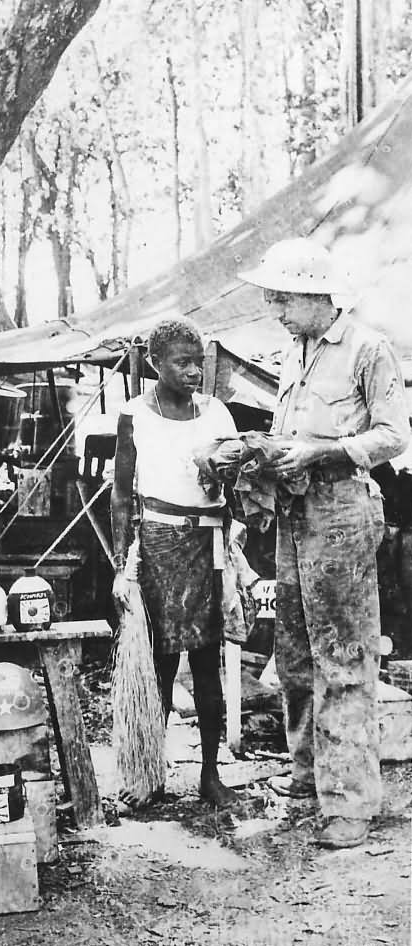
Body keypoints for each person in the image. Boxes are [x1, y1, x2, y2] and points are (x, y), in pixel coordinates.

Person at [238, 237, 410, 848]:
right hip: (294, 512)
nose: (275, 310)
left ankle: (350, 802)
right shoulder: (294, 351)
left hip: (342, 509)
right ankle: (308, 775)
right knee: (294, 654)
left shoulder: (368, 348)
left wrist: (322, 452)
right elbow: (291, 430)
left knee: (343, 655)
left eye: (282, 299)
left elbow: (393, 436)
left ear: (316, 295)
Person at [111, 316, 241, 809]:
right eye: (182, 362)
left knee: (207, 664)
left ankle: (210, 775)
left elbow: (235, 485)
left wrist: (230, 476)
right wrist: (122, 565)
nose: (193, 372)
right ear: (154, 363)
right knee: (159, 666)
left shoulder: (217, 414)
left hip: (208, 544)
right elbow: (121, 496)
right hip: (158, 544)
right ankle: (150, 773)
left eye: (198, 363)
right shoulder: (134, 415)